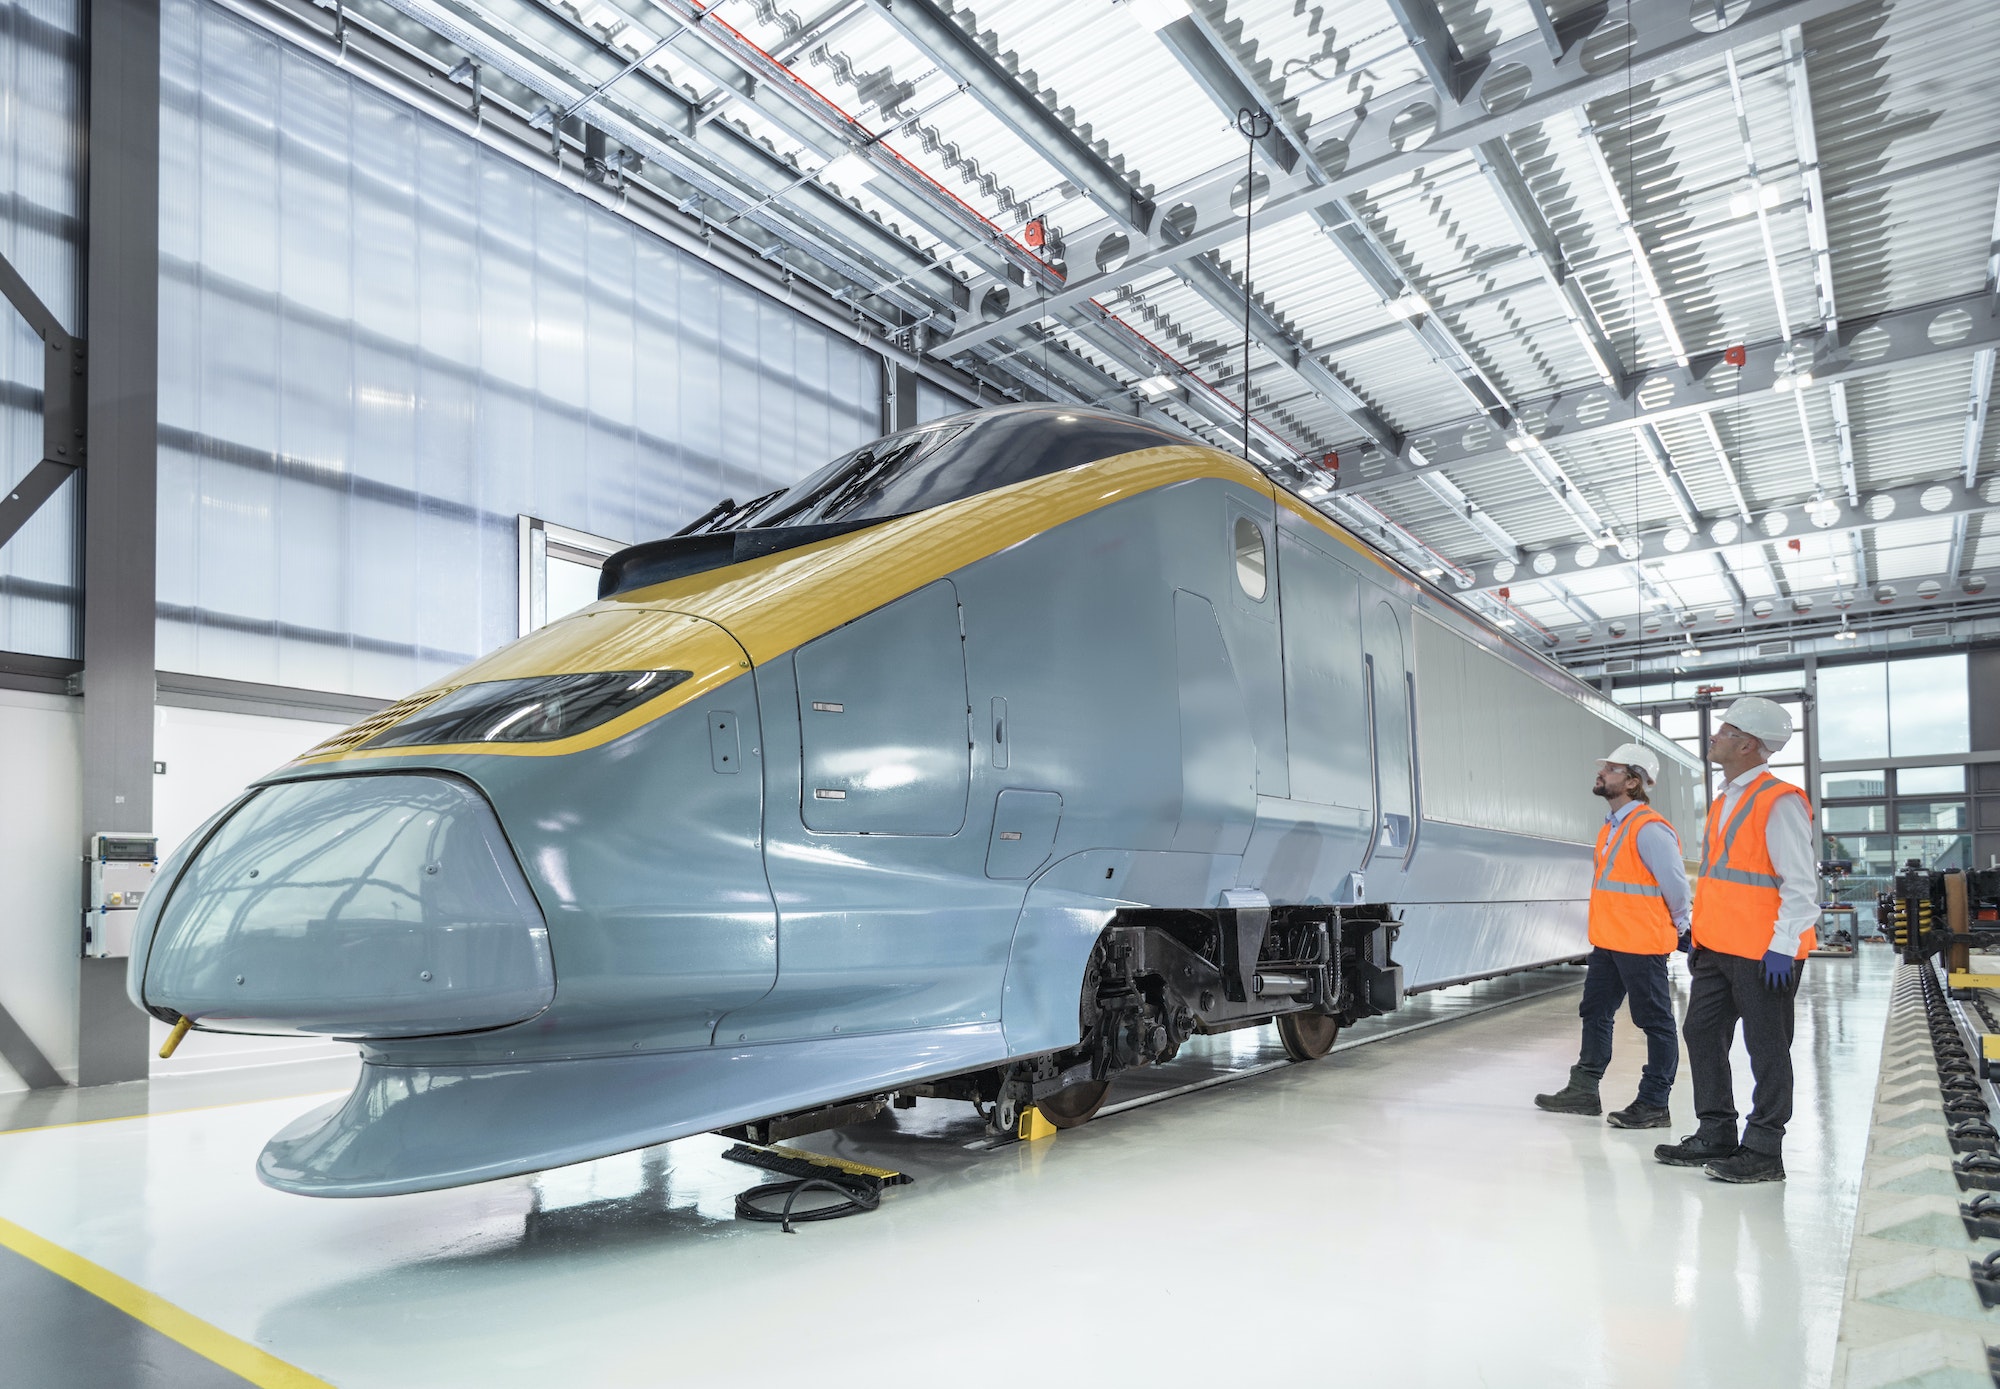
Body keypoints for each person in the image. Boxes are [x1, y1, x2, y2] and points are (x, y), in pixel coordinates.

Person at [1655, 696, 1815, 1184]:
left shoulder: (1778, 800)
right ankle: (1717, 1132)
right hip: (1717, 949)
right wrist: (1697, 936)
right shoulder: (1726, 799)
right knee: (1701, 1032)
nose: (1713, 737)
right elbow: (1723, 881)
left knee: (1766, 1048)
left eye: (1723, 731)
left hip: (1765, 953)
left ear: (1747, 744)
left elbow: (1801, 885)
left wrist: (1784, 945)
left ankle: (1764, 1149)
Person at [1535, 743, 1691, 1128]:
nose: (1601, 772)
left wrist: (1683, 926)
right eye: (1604, 767)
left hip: (1640, 943)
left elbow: (1675, 885)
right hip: (1609, 942)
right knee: (1595, 1012)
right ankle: (1584, 1090)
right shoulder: (1611, 827)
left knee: (1654, 1021)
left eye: (1612, 769)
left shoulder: (1649, 829)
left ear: (1634, 781)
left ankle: (1655, 1102)